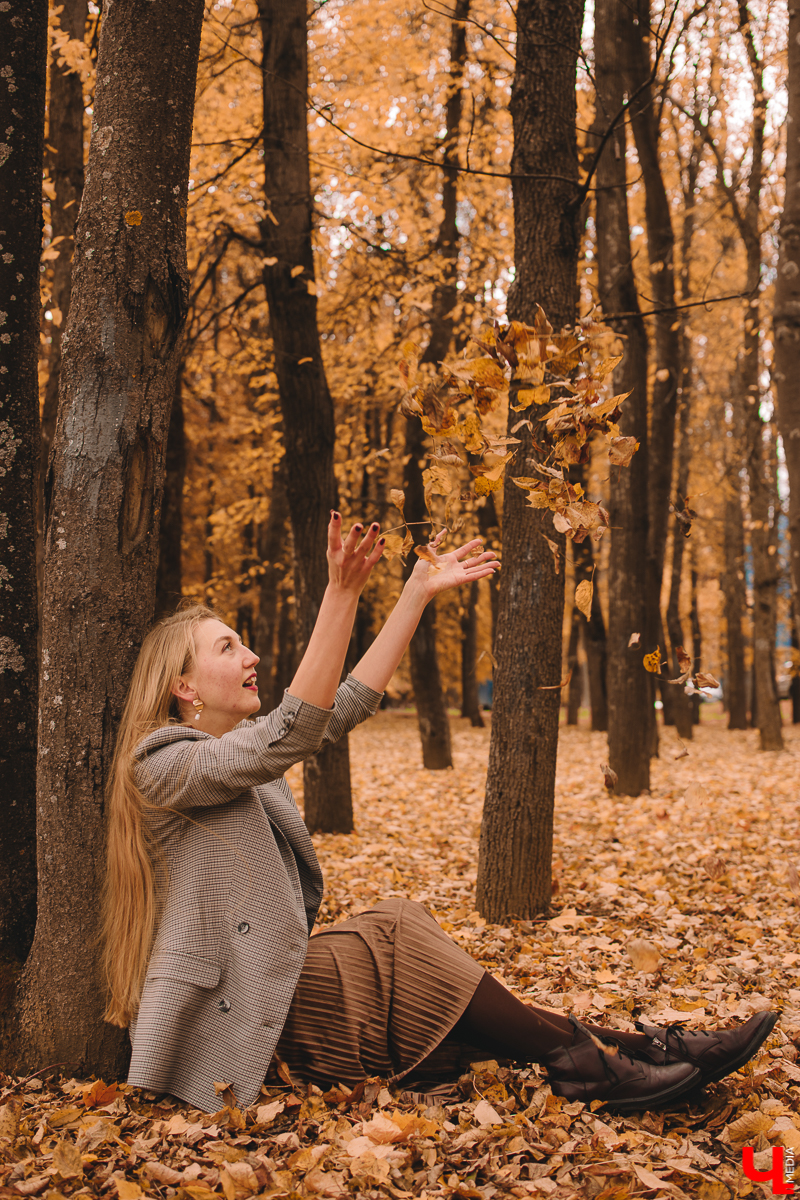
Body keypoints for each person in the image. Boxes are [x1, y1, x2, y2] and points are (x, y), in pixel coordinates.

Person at [101, 514, 778, 1115]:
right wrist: (340, 594)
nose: (250, 656)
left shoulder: (233, 758)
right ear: (183, 686)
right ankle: (597, 1056)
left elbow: (344, 705)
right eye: (228, 648)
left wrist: (415, 595)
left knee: (402, 934)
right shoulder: (159, 765)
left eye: (243, 643)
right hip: (241, 1017)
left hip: (274, 982)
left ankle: (629, 1048)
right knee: (397, 932)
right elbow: (294, 729)